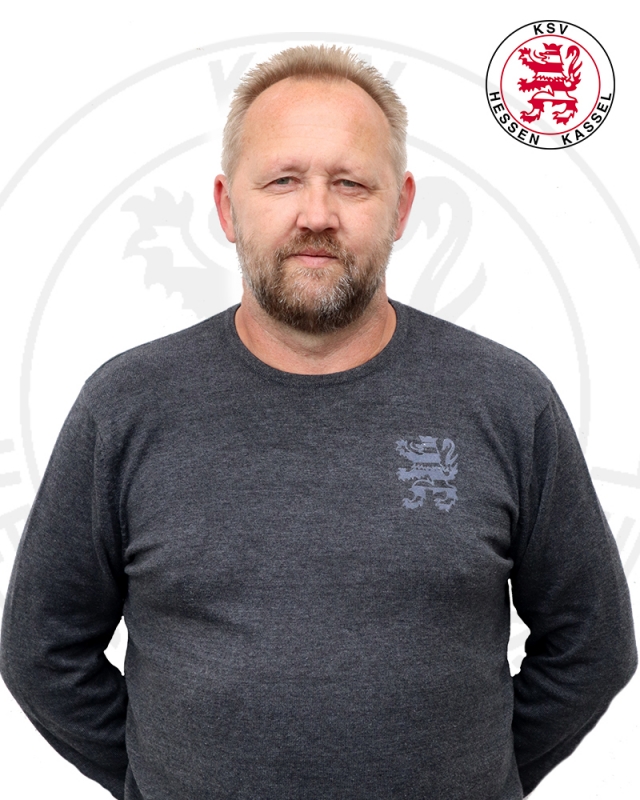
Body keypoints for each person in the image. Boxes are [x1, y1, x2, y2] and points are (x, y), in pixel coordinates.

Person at [0, 45, 636, 800]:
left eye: (350, 183)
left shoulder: (506, 400)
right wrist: (159, 779)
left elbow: (593, 644)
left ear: (400, 207)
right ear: (227, 206)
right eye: (282, 180)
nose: (316, 215)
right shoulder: (125, 405)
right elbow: (41, 649)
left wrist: (481, 778)